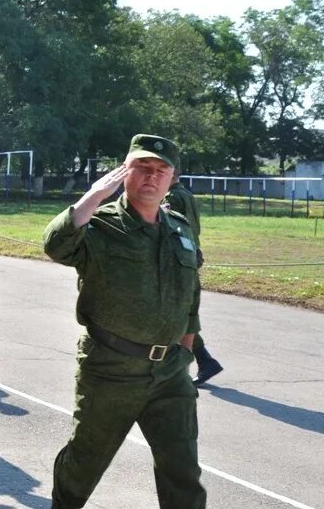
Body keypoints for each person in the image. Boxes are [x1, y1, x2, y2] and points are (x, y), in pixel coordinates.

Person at [43, 134, 206, 509]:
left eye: (161, 170)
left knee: (182, 471)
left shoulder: (179, 227)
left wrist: (186, 347)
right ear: (124, 173)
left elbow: (190, 293)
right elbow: (56, 245)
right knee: (84, 462)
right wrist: (93, 196)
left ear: (172, 178)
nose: (152, 176)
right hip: (111, 369)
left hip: (170, 371)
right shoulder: (100, 225)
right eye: (142, 168)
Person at [165, 171, 224, 386]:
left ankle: (199, 361)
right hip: (190, 252)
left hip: (179, 258)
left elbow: (171, 227)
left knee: (180, 313)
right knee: (184, 312)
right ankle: (204, 360)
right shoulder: (186, 194)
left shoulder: (172, 197)